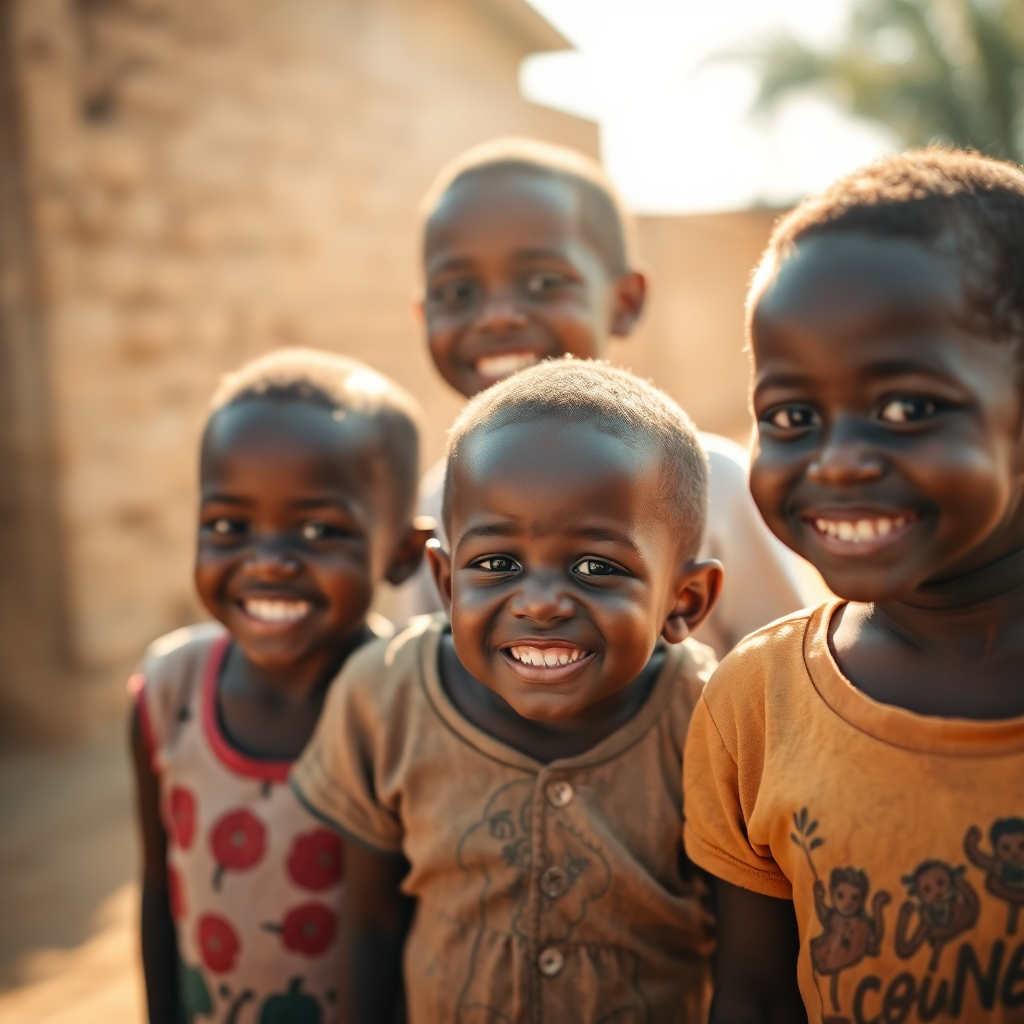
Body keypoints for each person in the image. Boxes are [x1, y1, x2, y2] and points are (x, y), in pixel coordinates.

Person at [682, 149, 1024, 1024]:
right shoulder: (754, 707)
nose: (835, 462)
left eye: (908, 408)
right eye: (790, 417)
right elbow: (754, 997)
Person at [292, 360, 724, 1023]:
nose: (542, 603)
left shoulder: (711, 724)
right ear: (444, 580)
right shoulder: (386, 700)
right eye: (496, 564)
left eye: (596, 566)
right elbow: (371, 926)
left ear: (684, 599)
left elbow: (753, 976)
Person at [398, 136, 808, 658]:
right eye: (457, 292)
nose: (497, 315)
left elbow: (788, 676)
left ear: (624, 300)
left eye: (544, 281)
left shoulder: (715, 484)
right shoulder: (439, 499)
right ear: (422, 315)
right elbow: (426, 674)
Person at [129, 349, 433, 1024]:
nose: (266, 560)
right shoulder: (167, 690)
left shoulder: (406, 703)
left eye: (321, 530)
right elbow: (159, 891)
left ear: (403, 555)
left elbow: (387, 926)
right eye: (228, 526)